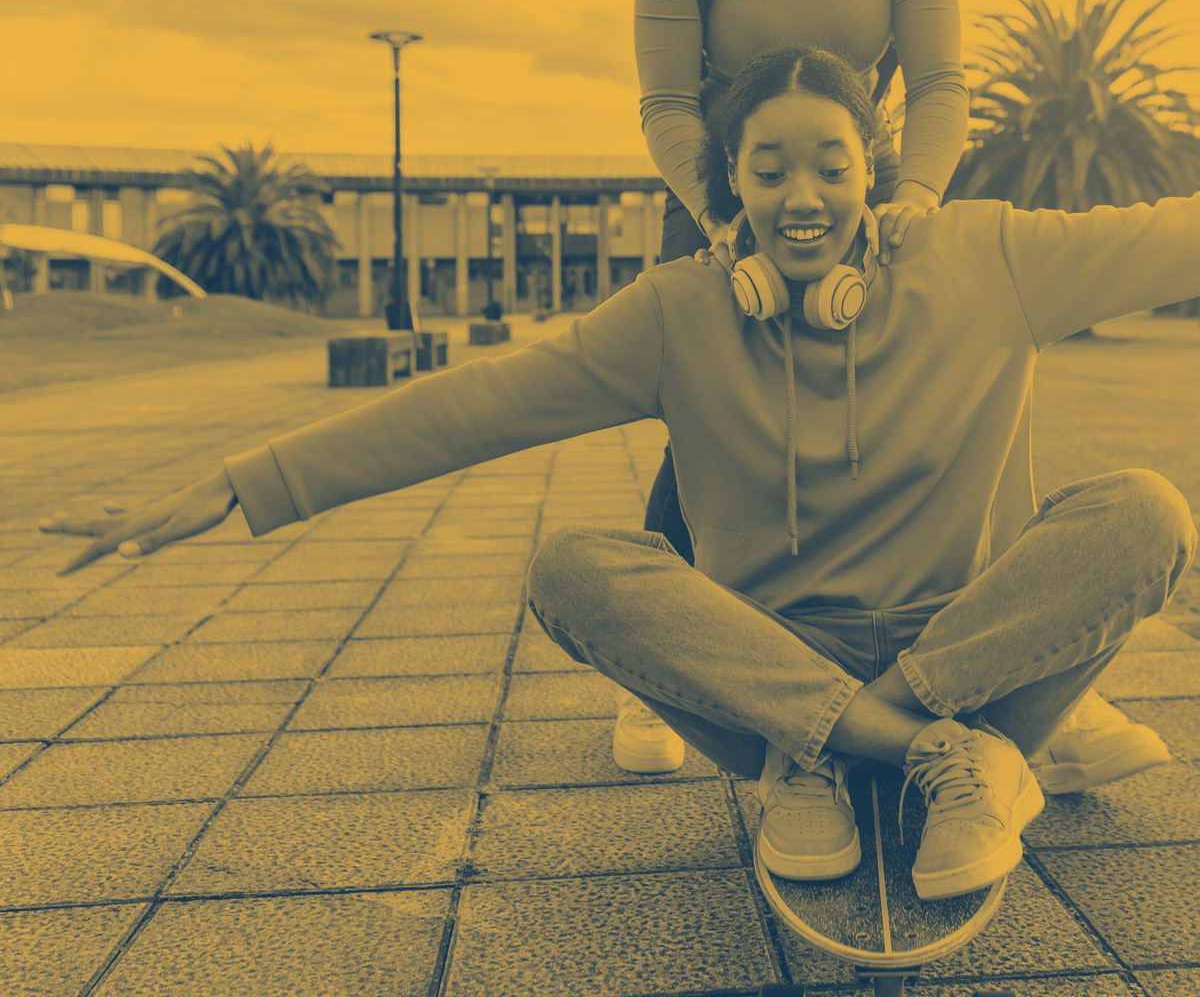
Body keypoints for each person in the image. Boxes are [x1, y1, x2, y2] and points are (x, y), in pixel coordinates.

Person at [43, 45, 1193, 897]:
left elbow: (1174, 230)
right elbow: (477, 405)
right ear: (727, 186)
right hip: (769, 672)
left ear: (873, 172)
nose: (804, 198)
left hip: (967, 649)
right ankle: (925, 759)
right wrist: (249, 482)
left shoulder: (988, 255)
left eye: (831, 166)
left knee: (1145, 512)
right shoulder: (679, 313)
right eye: (771, 169)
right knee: (576, 564)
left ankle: (874, 743)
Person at [626, 0, 972, 769]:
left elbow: (941, 82)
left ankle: (976, 677)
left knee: (909, 409)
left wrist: (920, 202)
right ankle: (665, 674)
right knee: (714, 425)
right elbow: (664, 98)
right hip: (723, 188)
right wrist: (727, 219)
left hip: (864, 187)